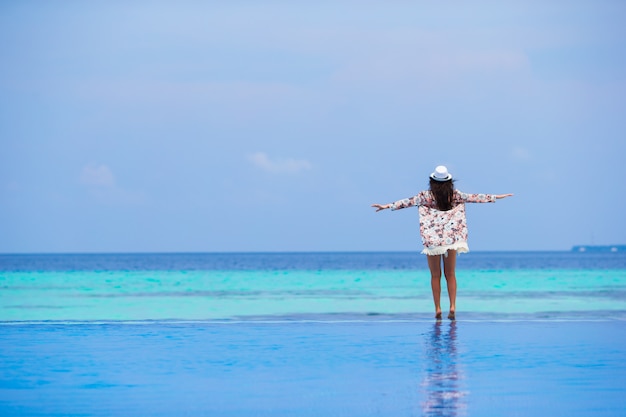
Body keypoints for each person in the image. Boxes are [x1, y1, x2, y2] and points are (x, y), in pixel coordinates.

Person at [371, 165, 513, 320]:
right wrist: (496, 197)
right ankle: (452, 306)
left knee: (435, 275)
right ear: (449, 181)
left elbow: (407, 202)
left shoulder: (425, 196)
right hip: (451, 239)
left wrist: (386, 206)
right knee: (450, 274)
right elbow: (474, 197)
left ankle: (438, 308)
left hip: (432, 240)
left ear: (432, 181)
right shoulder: (455, 195)